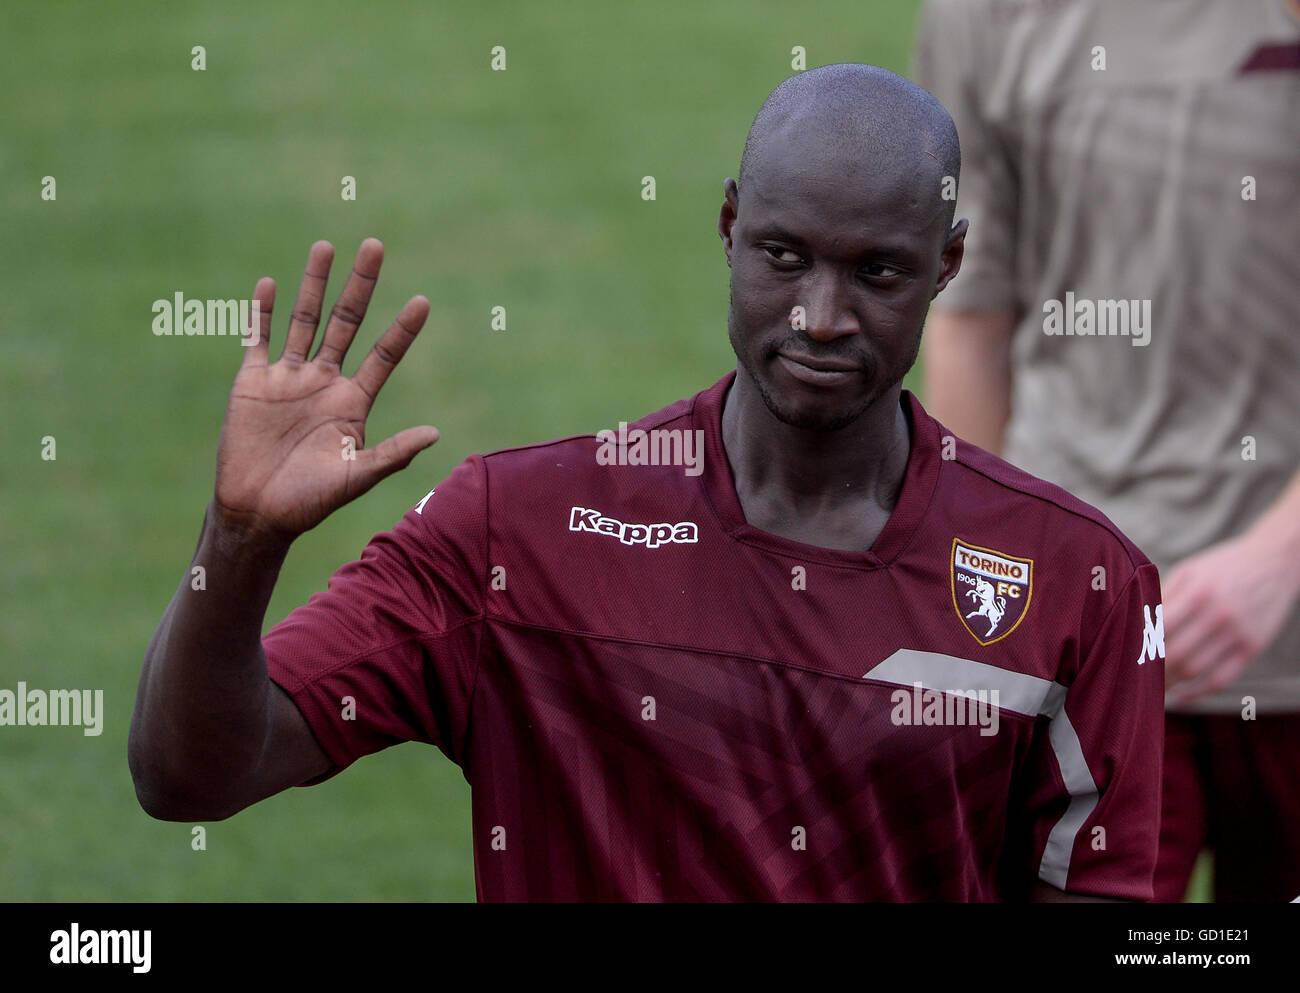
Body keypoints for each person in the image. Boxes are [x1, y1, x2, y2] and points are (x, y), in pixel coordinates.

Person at [129, 63, 1164, 902]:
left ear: (947, 265)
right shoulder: (515, 537)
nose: (819, 314)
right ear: (727, 231)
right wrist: (240, 540)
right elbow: (191, 776)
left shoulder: (1077, 582)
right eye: (783, 256)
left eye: (877, 273)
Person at [913, 0, 1300, 902]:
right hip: (1091, 649)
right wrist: (976, 606)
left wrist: (1281, 555)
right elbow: (972, 318)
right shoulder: (979, 16)